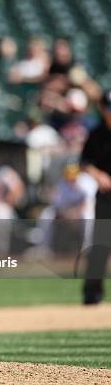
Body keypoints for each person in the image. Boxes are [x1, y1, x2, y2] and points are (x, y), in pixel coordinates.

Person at [81, 90, 111, 305]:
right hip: (106, 197)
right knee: (100, 245)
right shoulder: (96, 133)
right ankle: (92, 292)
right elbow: (84, 162)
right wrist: (98, 174)